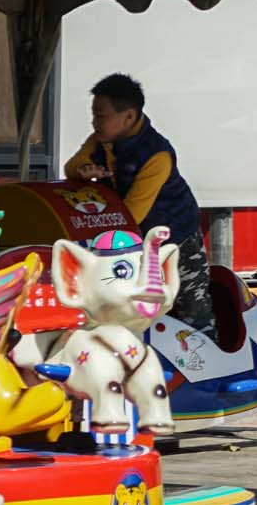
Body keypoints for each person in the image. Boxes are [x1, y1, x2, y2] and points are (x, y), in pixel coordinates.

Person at [65, 74, 209, 326]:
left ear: (129, 117)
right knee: (139, 311)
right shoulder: (101, 141)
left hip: (175, 238)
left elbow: (133, 215)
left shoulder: (157, 155)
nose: (94, 122)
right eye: (93, 114)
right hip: (134, 239)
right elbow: (71, 167)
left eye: (100, 115)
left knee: (191, 311)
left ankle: (207, 355)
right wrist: (84, 171)